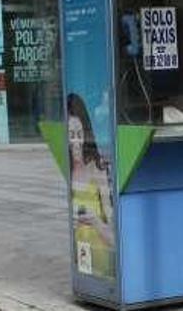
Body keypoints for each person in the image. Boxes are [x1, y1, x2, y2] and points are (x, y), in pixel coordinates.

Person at [67, 93, 116, 279]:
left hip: (103, 264)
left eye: (79, 134)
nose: (76, 142)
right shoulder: (68, 171)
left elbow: (116, 240)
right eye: (70, 135)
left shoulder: (97, 169)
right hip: (82, 264)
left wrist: (95, 221)